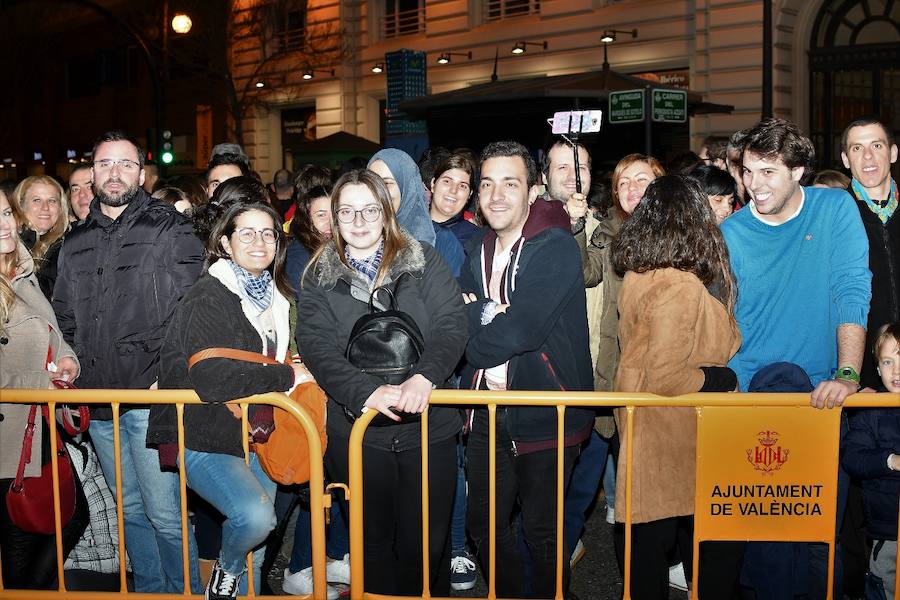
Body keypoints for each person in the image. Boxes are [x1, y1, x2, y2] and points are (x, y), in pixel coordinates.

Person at [298, 169, 467, 596]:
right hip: (357, 432)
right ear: (334, 218)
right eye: (347, 211)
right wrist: (365, 392)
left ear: (386, 212)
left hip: (428, 426)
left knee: (425, 544)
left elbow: (452, 323)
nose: (359, 221)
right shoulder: (318, 274)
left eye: (369, 209)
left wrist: (425, 376)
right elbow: (316, 346)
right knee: (370, 544)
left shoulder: (423, 258)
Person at [721, 118, 871, 599]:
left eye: (768, 172)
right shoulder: (729, 233)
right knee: (764, 539)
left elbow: (851, 289)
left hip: (823, 396)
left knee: (819, 534)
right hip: (751, 400)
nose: (754, 185)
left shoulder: (835, 209)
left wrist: (849, 373)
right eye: (747, 171)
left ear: (800, 170)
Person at [52, 130, 204, 593]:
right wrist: (67, 368)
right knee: (130, 511)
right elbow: (64, 317)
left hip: (148, 398)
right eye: (104, 164)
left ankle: (183, 593)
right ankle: (151, 591)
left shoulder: (171, 228)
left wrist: (169, 374)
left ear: (142, 173)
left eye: (124, 164)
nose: (114, 173)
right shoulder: (75, 241)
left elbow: (192, 311)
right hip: (99, 403)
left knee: (165, 514)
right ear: (92, 172)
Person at [150, 190, 313, 600]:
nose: (260, 243)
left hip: (256, 434)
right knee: (255, 517)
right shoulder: (209, 295)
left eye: (269, 234)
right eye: (248, 234)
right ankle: (224, 571)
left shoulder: (276, 298)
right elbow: (212, 379)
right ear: (224, 242)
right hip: (205, 433)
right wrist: (284, 376)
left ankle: (236, 578)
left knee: (257, 555)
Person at [460, 140, 594, 598]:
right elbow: (456, 314)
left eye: (510, 184)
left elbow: (522, 332)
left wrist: (480, 325)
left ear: (534, 190)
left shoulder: (554, 246)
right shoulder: (477, 248)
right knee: (484, 527)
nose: (496, 195)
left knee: (542, 535)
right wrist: (484, 313)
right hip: (485, 412)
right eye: (487, 184)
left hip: (546, 409)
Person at [611, 175, 743, 599]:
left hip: (644, 426)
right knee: (705, 550)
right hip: (676, 432)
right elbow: (668, 375)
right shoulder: (680, 285)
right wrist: (721, 378)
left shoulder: (639, 274)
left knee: (647, 545)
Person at [0, 185, 87, 589]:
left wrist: (67, 357)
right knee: (20, 538)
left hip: (38, 425)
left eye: (4, 213)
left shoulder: (21, 272)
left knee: (68, 517)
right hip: (9, 435)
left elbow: (49, 330)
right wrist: (40, 382)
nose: (3, 225)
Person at [541, 136, 614, 568]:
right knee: (548, 482)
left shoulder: (603, 227)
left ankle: (565, 544)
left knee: (586, 478)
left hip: (598, 375)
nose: (573, 175)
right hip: (551, 378)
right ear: (545, 176)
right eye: (563, 167)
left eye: (582, 167)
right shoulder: (531, 224)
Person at [842, 322, 900, 600]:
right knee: (885, 587)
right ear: (877, 368)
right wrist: (890, 461)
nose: (897, 371)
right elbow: (853, 458)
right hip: (888, 531)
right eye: (888, 362)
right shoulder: (870, 409)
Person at [841, 116, 899, 389]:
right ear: (844, 159)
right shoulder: (836, 215)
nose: (867, 157)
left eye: (876, 145)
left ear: (893, 152)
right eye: (856, 148)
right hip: (861, 378)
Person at [368, 148, 465, 277]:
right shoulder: (359, 237)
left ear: (407, 188)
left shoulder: (440, 240)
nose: (377, 191)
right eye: (371, 182)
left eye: (386, 183)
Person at [14, 175, 70, 299]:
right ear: (21, 205)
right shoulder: (9, 246)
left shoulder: (70, 246)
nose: (45, 208)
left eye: (52, 201)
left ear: (61, 208)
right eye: (37, 200)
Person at [429, 151, 479, 247]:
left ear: (470, 194)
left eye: (462, 186)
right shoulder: (408, 227)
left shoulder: (475, 240)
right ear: (433, 184)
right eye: (447, 181)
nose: (453, 190)